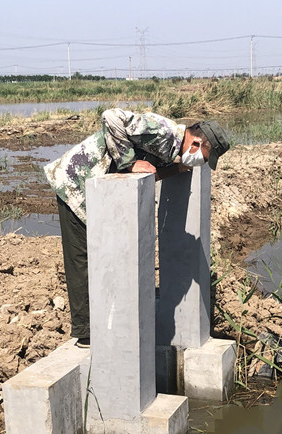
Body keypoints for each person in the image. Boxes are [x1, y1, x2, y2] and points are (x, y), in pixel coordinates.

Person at [44, 108, 230, 348]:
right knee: (81, 258)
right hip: (75, 182)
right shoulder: (163, 132)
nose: (202, 163)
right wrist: (129, 162)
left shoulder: (172, 150)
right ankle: (86, 332)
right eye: (205, 157)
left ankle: (108, 320)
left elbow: (148, 174)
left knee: (107, 255)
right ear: (196, 143)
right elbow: (111, 116)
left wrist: (176, 169)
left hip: (100, 191)